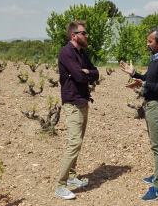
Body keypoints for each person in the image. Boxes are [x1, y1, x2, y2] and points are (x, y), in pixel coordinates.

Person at [120, 27, 158, 201]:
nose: (147, 44)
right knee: (154, 144)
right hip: (152, 105)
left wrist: (143, 84)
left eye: (150, 41)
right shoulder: (155, 59)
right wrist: (135, 75)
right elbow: (150, 81)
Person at [55, 20, 99, 200]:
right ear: (74, 35)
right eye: (83, 33)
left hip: (82, 101)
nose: (86, 36)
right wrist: (84, 73)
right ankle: (60, 185)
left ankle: (72, 177)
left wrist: (87, 72)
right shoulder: (66, 53)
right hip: (72, 103)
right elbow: (80, 76)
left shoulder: (82, 53)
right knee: (74, 143)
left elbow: (95, 73)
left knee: (78, 141)